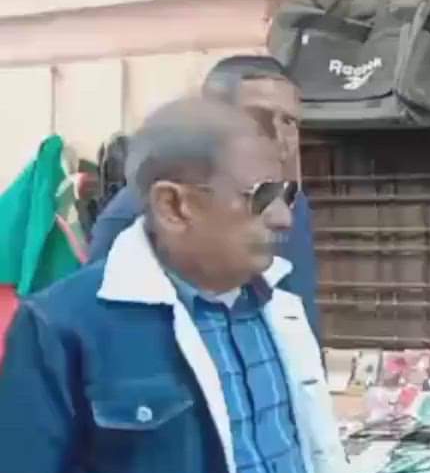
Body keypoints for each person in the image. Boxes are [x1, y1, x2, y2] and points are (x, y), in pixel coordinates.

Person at [0, 98, 368, 473]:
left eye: (286, 193)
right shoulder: (65, 325)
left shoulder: (275, 310)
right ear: (174, 206)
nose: (283, 217)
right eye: (260, 196)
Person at [88, 55, 322, 337]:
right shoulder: (136, 210)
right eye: (258, 117)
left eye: (289, 122)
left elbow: (299, 307)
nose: (280, 137)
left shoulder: (291, 204)